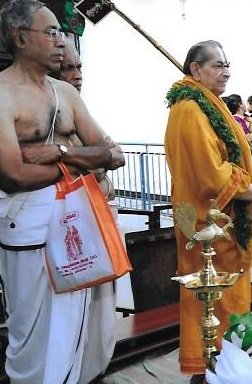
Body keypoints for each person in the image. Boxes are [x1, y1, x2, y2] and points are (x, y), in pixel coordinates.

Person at [0, 1, 125, 383]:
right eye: (51, 32)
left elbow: (115, 154)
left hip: (77, 223)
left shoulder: (65, 94)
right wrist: (81, 162)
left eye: (61, 33)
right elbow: (14, 175)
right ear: (21, 38)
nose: (61, 41)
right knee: (34, 330)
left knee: (79, 325)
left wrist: (61, 151)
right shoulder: (3, 93)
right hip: (27, 225)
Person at [163, 40, 252, 382]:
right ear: (196, 69)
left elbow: (226, 163)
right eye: (218, 65)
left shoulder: (208, 104)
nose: (226, 71)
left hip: (225, 221)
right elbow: (211, 177)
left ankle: (228, 367)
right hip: (207, 227)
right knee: (210, 301)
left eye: (227, 64)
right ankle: (210, 371)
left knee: (228, 299)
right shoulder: (189, 109)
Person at [50, 37, 122, 201]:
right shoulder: (49, 114)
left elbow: (118, 157)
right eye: (67, 69)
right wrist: (98, 167)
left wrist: (91, 163)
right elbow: (100, 164)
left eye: (79, 68)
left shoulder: (81, 112)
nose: (77, 76)